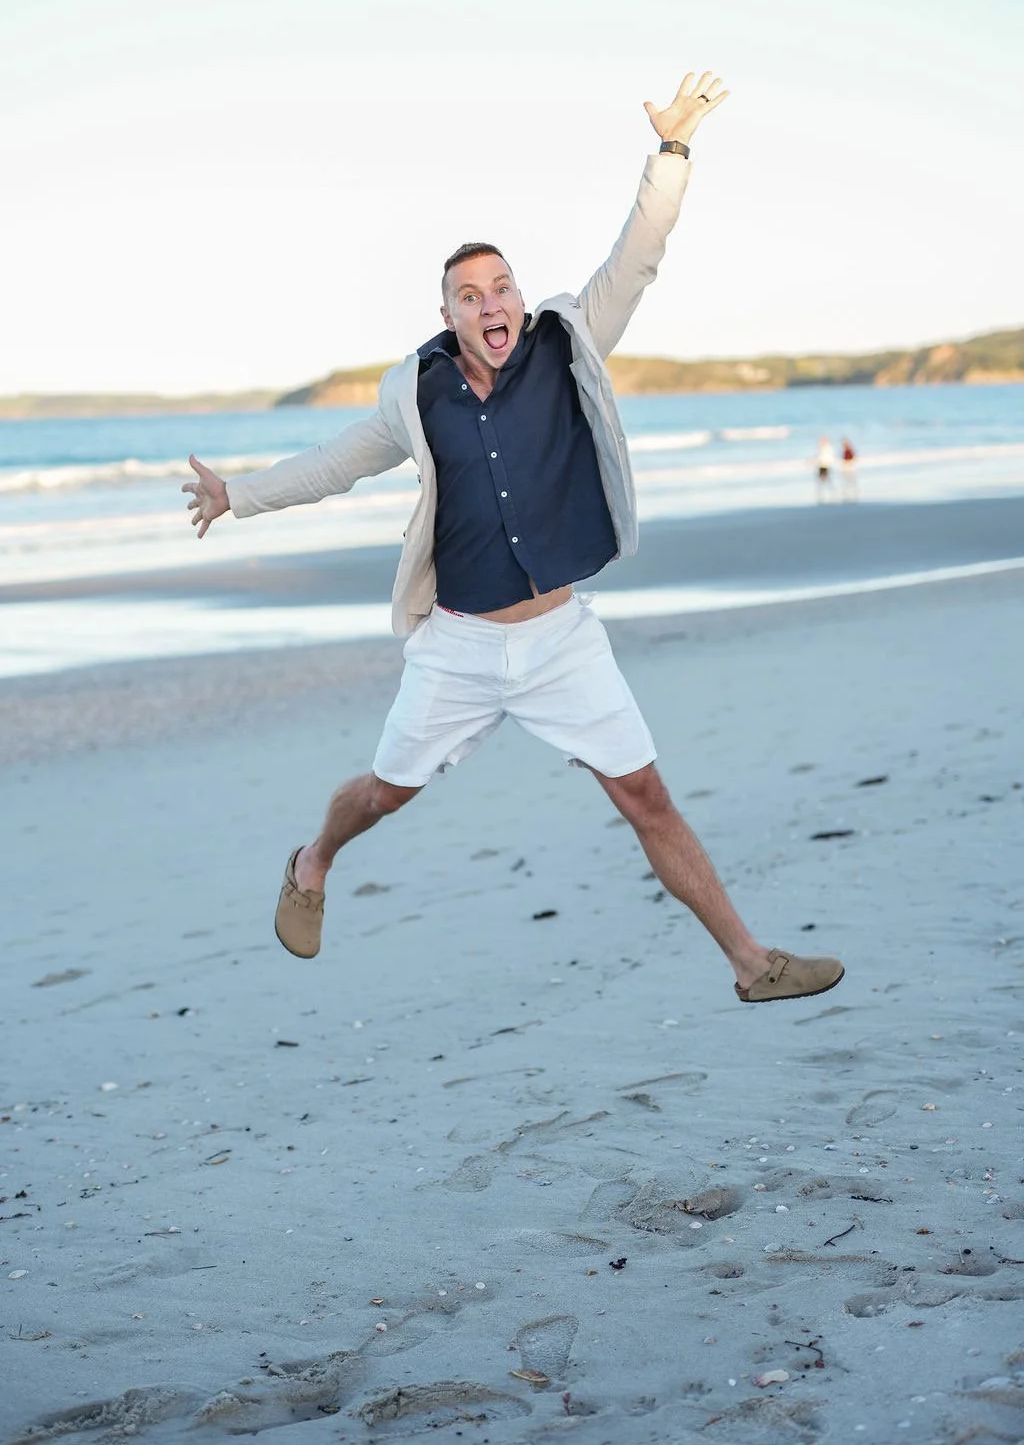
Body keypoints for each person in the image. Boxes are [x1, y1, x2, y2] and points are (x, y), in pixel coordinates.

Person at [183, 71, 843, 1006]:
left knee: (645, 796)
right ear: (447, 315)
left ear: (518, 300)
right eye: (469, 294)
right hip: (456, 646)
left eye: (503, 287)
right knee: (383, 794)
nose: (491, 304)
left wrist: (672, 153)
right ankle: (313, 858)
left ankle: (750, 962)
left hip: (562, 640)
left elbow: (637, 257)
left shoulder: (564, 343)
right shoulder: (416, 396)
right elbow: (335, 464)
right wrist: (236, 495)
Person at [815, 435, 835, 503]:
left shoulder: (828, 448)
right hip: (821, 465)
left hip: (825, 465)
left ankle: (831, 492)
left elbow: (828, 457)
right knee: (821, 479)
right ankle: (821, 493)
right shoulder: (821, 448)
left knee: (827, 479)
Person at [840, 437, 858, 501]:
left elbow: (853, 458)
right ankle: (847, 494)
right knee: (846, 481)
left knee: (851, 481)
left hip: (849, 468)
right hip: (846, 468)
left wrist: (849, 463)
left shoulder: (849, 450)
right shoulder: (844, 451)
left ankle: (853, 493)